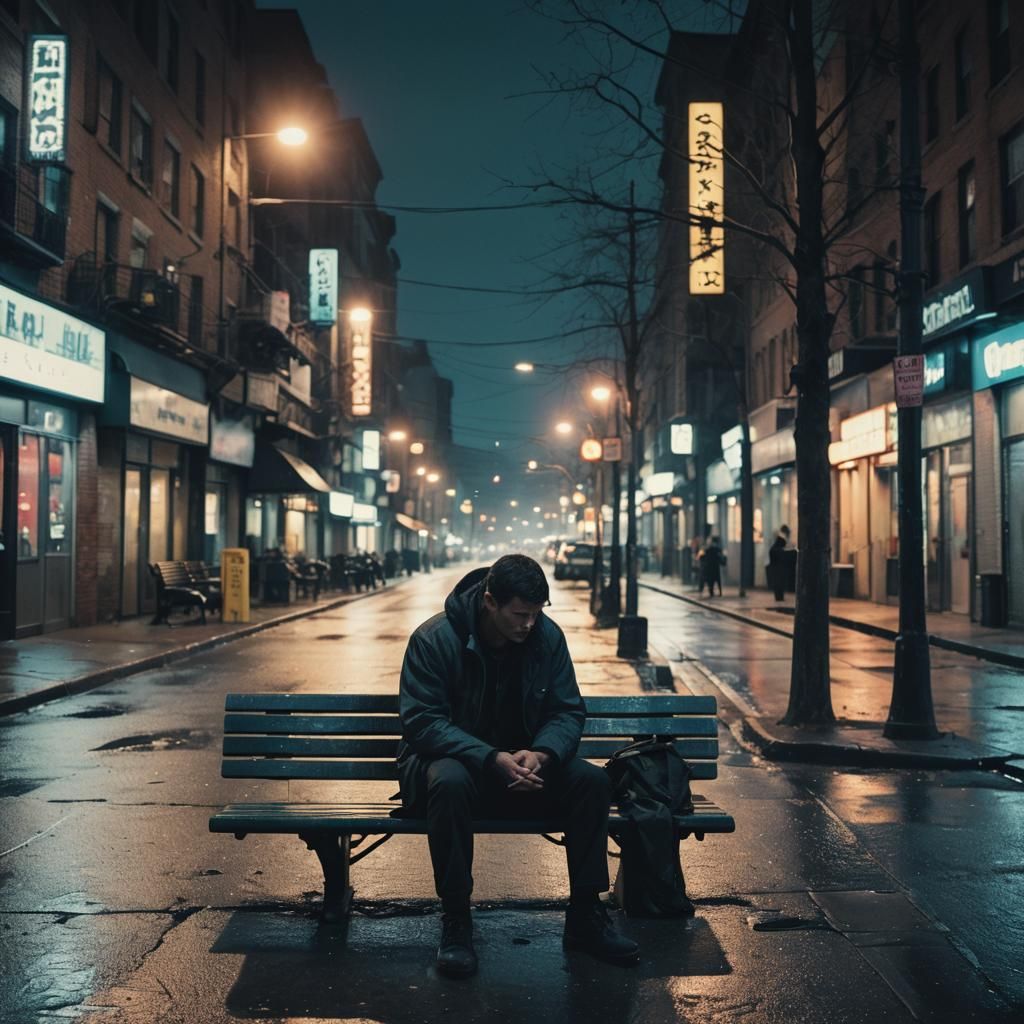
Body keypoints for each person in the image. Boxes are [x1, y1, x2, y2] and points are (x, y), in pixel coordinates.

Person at [397, 553, 639, 978]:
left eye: (536, 614)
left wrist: (544, 754)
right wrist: (489, 758)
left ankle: (586, 914)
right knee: (448, 781)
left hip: (527, 769)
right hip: (456, 769)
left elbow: (567, 710)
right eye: (520, 614)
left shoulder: (546, 638)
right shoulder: (434, 639)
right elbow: (424, 723)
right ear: (489, 602)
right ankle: (456, 920)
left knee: (591, 781)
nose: (529, 624)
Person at [768, 524, 791, 601]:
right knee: (779, 582)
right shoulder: (780, 544)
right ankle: (779, 597)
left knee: (778, 583)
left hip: (775, 566)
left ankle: (779, 597)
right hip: (778, 567)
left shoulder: (775, 546)